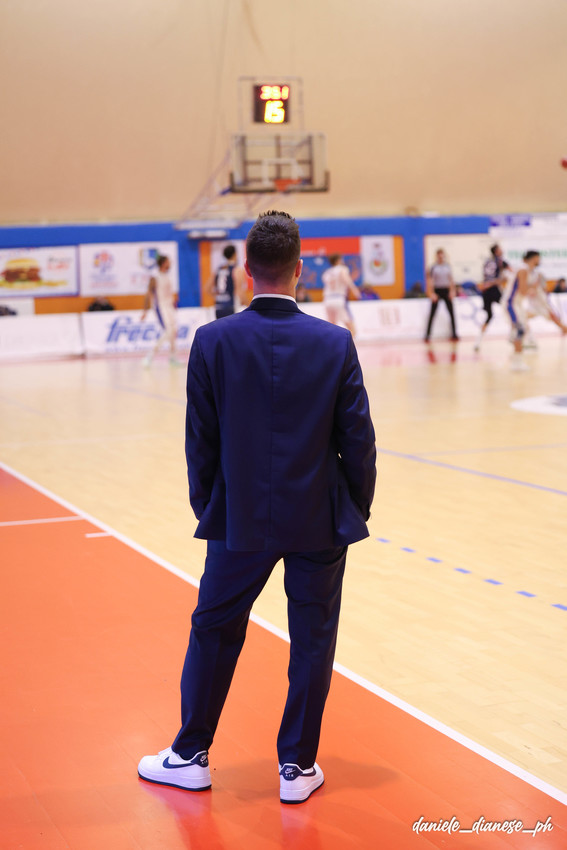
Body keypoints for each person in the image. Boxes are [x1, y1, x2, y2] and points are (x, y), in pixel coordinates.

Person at [138, 211, 376, 805]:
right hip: (319, 518)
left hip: (238, 516)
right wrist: (353, 509)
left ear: (246, 271)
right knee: (312, 639)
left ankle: (189, 755)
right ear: (300, 269)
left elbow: (200, 441)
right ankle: (297, 767)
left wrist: (212, 507)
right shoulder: (335, 342)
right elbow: (358, 439)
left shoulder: (212, 341)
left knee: (214, 628)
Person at [501, 250, 540, 371]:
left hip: (517, 303)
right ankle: (516, 363)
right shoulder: (523, 270)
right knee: (520, 330)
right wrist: (533, 287)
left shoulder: (527, 271)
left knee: (522, 329)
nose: (539, 261)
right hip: (511, 303)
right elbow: (523, 291)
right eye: (538, 258)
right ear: (534, 258)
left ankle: (517, 359)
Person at [141, 255, 181, 366]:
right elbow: (148, 294)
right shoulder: (155, 277)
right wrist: (145, 311)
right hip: (161, 307)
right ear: (163, 263)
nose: (170, 264)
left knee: (174, 331)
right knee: (169, 331)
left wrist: (174, 304)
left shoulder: (167, 276)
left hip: (169, 307)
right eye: (168, 262)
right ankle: (150, 355)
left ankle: (173, 358)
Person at [474, 244, 506, 351]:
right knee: (509, 308)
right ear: (496, 251)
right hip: (493, 290)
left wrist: (486, 284)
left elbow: (485, 277)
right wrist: (495, 282)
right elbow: (501, 277)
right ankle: (516, 335)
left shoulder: (487, 261)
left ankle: (478, 341)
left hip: (486, 291)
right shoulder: (499, 261)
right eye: (500, 249)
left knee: (489, 315)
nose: (502, 250)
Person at [321, 253, 360, 336]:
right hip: (338, 299)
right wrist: (355, 290)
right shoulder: (342, 269)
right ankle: (351, 343)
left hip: (327, 300)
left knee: (331, 326)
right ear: (338, 260)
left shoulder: (326, 273)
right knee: (351, 327)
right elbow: (346, 279)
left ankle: (331, 343)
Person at [424, 249, 459, 342]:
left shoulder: (447, 266)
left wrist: (452, 291)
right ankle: (427, 334)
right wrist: (432, 293)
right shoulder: (433, 267)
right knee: (432, 313)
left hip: (446, 290)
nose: (441, 257)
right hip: (437, 290)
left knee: (451, 312)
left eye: (442, 255)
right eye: (439, 255)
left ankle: (454, 333)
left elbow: (451, 279)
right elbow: (430, 280)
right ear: (436, 256)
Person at [208, 244, 248, 319]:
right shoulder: (236, 270)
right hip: (230, 307)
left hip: (218, 308)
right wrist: (249, 305)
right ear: (235, 254)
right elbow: (239, 291)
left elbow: (207, 289)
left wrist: (218, 295)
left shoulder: (218, 269)